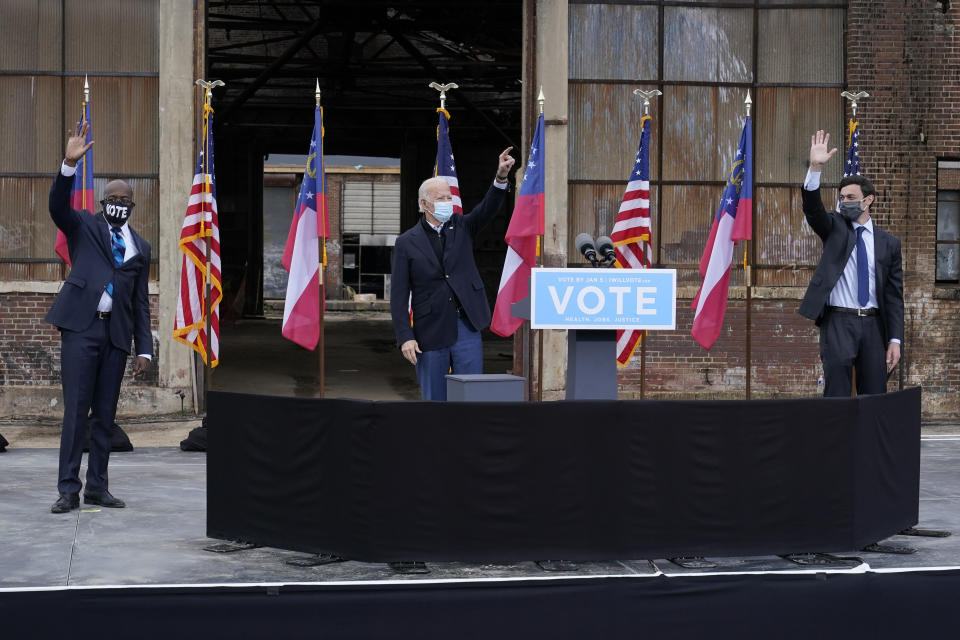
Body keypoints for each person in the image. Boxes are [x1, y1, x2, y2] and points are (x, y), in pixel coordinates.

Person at [47, 122, 152, 513]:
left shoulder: (140, 246)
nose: (119, 201)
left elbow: (140, 302)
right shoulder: (85, 225)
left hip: (116, 336)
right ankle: (68, 489)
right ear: (104, 200)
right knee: (76, 411)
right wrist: (68, 165)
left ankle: (97, 487)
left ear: (132, 205)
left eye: (125, 198)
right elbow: (58, 205)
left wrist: (146, 349)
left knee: (105, 415)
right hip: (81, 329)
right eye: (113, 196)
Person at [390, 148, 515, 400]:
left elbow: (487, 209)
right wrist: (406, 337)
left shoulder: (462, 226)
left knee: (470, 396)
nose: (448, 202)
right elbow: (399, 296)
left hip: (467, 325)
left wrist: (501, 177)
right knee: (435, 398)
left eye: (449, 197)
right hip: (430, 330)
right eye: (441, 198)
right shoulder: (406, 242)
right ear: (424, 204)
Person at [799, 130, 903, 397]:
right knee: (837, 393)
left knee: (874, 395)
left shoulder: (889, 243)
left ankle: (868, 440)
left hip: (873, 326)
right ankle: (836, 440)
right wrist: (814, 168)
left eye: (851, 198)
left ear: (868, 201)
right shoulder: (834, 227)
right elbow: (813, 210)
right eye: (842, 198)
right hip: (838, 322)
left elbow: (893, 296)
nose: (844, 202)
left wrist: (894, 339)